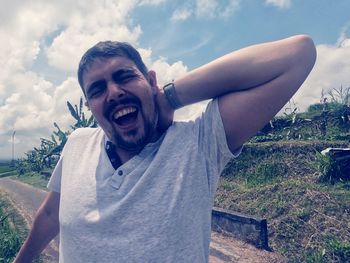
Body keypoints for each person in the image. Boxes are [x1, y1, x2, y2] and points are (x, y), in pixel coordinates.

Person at [14, 35, 316, 263]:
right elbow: (52, 213)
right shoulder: (77, 143)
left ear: (151, 81)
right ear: (90, 107)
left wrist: (170, 97)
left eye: (124, 77)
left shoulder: (199, 143)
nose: (114, 92)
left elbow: (298, 54)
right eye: (97, 89)